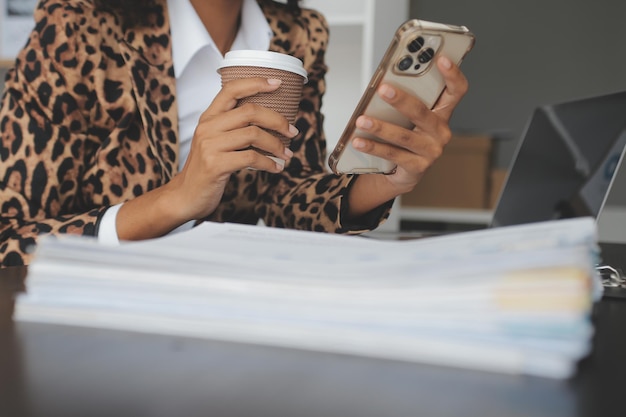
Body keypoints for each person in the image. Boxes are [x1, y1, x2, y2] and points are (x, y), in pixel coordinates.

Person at [0, 0, 469, 267]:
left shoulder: (299, 34)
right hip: (96, 313)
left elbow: (284, 193)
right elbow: (9, 236)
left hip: (224, 299)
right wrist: (177, 198)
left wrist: (383, 180)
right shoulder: (78, 26)